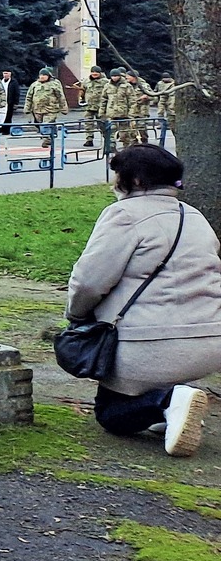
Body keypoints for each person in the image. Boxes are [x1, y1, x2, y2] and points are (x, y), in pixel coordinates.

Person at [65, 144, 219, 456]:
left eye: (117, 175)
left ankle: (166, 401)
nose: (113, 183)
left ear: (135, 181)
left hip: (150, 345)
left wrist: (76, 317)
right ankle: (171, 407)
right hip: (210, 343)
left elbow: (89, 282)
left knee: (111, 416)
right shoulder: (195, 217)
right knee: (151, 384)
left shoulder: (123, 215)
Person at [25, 68, 68, 137]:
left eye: (44, 75)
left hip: (51, 109)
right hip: (38, 110)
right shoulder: (35, 85)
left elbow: (60, 96)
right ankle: (52, 132)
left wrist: (64, 108)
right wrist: (27, 108)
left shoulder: (54, 84)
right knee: (42, 124)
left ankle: (47, 139)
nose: (42, 76)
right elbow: (29, 97)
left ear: (49, 76)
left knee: (46, 124)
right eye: (41, 75)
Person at [81, 66, 111, 148]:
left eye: (96, 72)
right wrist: (82, 99)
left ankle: (107, 140)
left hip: (101, 107)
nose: (94, 74)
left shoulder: (105, 82)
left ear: (100, 73)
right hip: (89, 106)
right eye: (93, 72)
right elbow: (83, 91)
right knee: (88, 124)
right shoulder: (86, 81)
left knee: (102, 124)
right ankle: (89, 140)